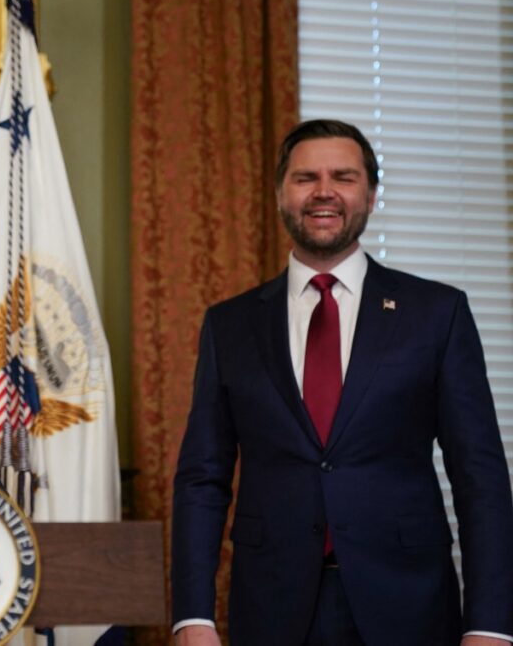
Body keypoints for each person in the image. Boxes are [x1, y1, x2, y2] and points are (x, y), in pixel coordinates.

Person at [171, 119, 513, 646]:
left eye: (344, 177)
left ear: (371, 196)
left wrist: (490, 624)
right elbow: (203, 478)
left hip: (410, 606)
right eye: (306, 177)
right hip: (271, 608)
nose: (324, 191)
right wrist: (192, 617)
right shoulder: (229, 325)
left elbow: (480, 477)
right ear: (281, 194)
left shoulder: (436, 313)